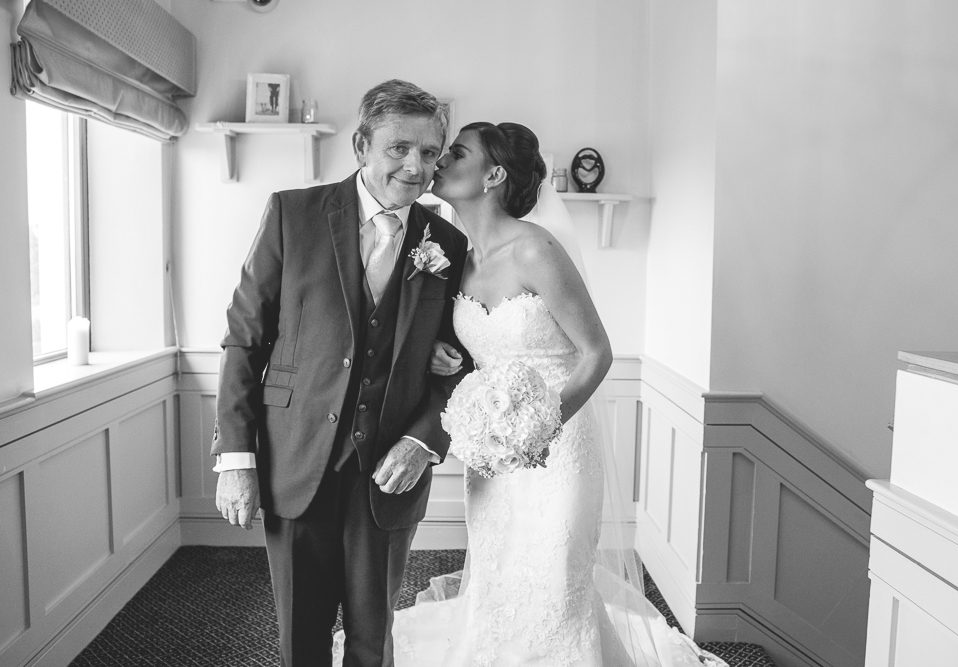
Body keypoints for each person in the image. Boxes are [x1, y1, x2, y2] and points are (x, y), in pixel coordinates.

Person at [365, 122, 727, 665]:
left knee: (554, 582)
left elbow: (596, 353)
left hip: (558, 450)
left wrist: (540, 429)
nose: (439, 161)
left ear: (492, 175)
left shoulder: (535, 249)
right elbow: (471, 347)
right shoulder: (456, 255)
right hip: (492, 452)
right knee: (498, 577)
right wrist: (446, 355)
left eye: (457, 152)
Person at [210, 79, 469, 666]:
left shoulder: (449, 244)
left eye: (430, 152)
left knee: (372, 639)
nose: (416, 166)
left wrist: (422, 441)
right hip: (296, 456)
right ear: (360, 146)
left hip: (389, 470)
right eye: (399, 148)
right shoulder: (292, 214)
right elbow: (245, 340)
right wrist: (236, 460)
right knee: (301, 637)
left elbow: (461, 360)